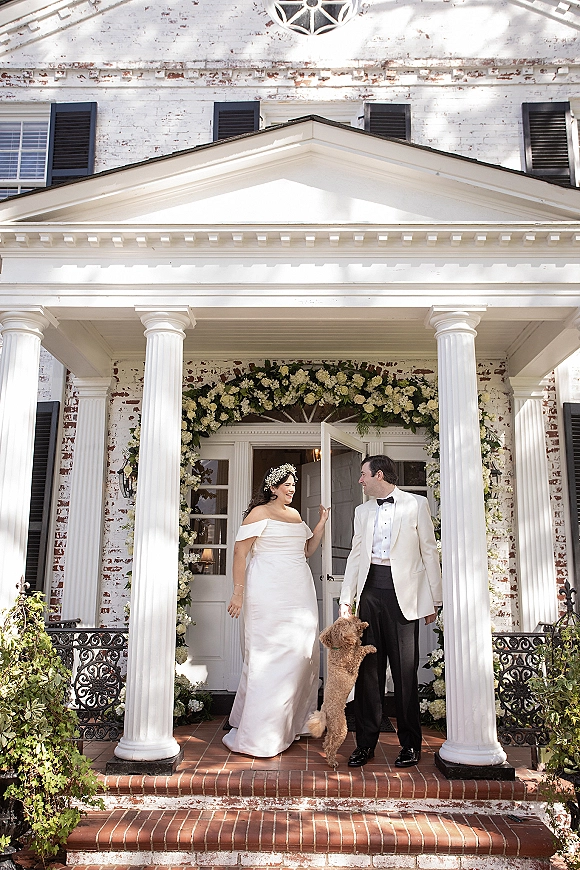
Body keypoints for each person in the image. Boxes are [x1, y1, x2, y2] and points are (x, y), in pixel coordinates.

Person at [339, 454, 442, 768]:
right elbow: (356, 555)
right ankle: (365, 744)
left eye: (364, 474)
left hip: (403, 598)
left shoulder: (416, 504)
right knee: (368, 673)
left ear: (379, 475)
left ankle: (410, 745)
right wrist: (347, 599)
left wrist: (434, 600)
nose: (360, 480)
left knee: (404, 673)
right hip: (370, 594)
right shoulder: (362, 511)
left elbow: (429, 551)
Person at [224, 463, 330, 757]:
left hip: (299, 590)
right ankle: (262, 732)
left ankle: (292, 722)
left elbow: (306, 550)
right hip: (267, 590)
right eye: (287, 485)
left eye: (294, 485)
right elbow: (240, 552)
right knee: (269, 656)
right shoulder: (258, 513)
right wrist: (237, 593)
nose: (292, 489)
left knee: (300, 653)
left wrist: (321, 523)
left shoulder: (295, 515)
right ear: (272, 488)